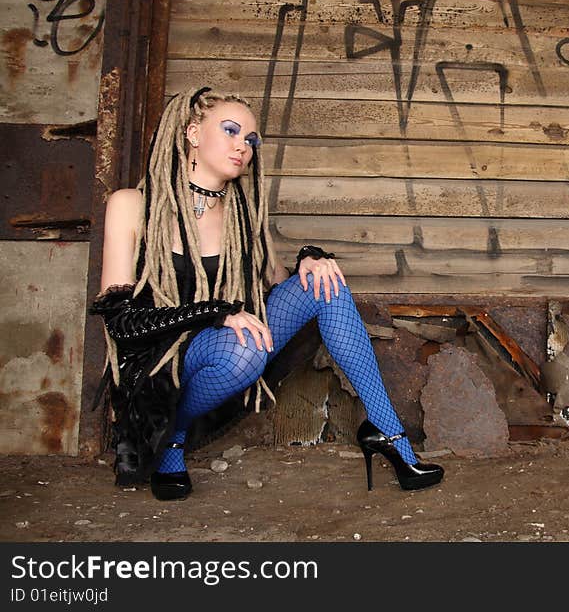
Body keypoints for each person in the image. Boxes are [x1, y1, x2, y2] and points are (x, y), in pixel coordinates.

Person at [90, 87, 443, 500]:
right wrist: (216, 313)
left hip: (222, 343)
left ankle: (387, 431)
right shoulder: (133, 205)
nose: (243, 146)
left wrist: (311, 261)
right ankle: (173, 438)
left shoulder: (242, 211)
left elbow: (278, 282)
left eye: (251, 140)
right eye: (231, 131)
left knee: (324, 282)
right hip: (161, 366)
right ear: (192, 133)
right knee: (244, 348)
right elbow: (121, 323)